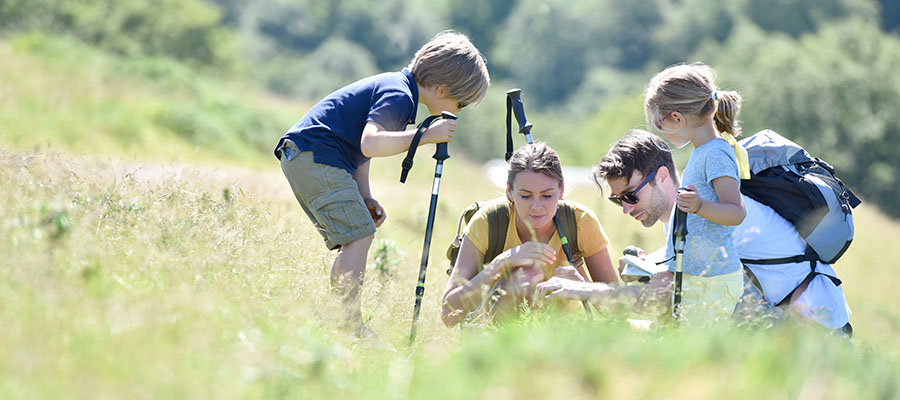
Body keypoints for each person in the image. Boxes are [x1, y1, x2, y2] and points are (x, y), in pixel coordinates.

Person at [274, 31, 490, 335]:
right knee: (360, 236)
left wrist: (365, 195)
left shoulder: (398, 88)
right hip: (314, 155)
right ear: (442, 90)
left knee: (357, 234)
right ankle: (347, 321)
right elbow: (371, 144)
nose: (459, 112)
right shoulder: (399, 95)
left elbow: (360, 152)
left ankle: (338, 316)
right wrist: (426, 136)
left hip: (309, 154)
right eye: (462, 104)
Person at [537, 130, 851, 335]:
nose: (626, 209)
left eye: (631, 195)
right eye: (618, 200)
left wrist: (586, 292)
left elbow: (667, 297)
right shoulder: (683, 217)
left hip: (817, 339)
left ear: (662, 176)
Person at [441, 142, 619, 328]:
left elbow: (618, 307)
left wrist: (582, 286)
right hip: (493, 341)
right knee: (527, 276)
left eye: (547, 196)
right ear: (510, 191)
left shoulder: (580, 221)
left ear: (562, 190)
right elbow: (448, 315)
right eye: (525, 196)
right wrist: (500, 264)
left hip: (564, 341)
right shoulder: (487, 221)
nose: (536, 206)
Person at [642, 63, 749, 321]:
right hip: (700, 277)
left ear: (677, 118)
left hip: (714, 280)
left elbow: (736, 212)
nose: (662, 133)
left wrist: (700, 206)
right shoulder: (704, 152)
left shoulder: (716, 153)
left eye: (660, 125)